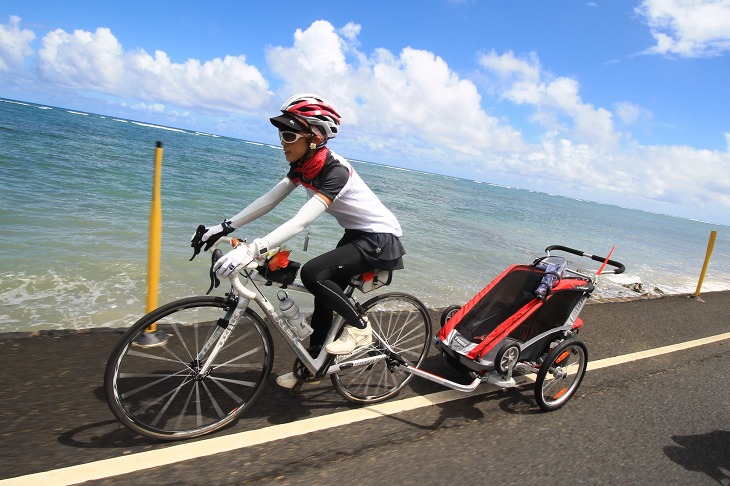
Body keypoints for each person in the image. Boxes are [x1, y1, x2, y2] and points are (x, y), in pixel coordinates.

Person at [191, 94, 405, 388]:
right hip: (356, 234)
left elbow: (301, 221)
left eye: (289, 135)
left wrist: (254, 248)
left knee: (312, 273)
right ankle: (314, 364)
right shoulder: (305, 166)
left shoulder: (335, 171)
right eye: (281, 134)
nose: (283, 141)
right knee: (323, 297)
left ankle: (360, 328)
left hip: (381, 237)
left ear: (314, 138)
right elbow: (269, 201)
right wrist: (224, 227)